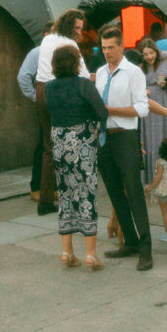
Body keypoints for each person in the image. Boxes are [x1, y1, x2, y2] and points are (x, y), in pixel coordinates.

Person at [44, 44, 109, 271]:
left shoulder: (49, 87)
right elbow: (102, 111)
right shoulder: (84, 85)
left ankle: (67, 252)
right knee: (86, 195)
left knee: (65, 194)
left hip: (59, 142)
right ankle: (91, 254)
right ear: (75, 62)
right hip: (82, 143)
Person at [95, 25, 153, 271]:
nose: (106, 52)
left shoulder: (133, 72)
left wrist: (113, 111)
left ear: (121, 46)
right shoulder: (99, 72)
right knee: (114, 191)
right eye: (104, 47)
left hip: (125, 136)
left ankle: (146, 249)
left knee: (133, 190)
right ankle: (129, 241)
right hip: (104, 138)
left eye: (111, 47)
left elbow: (142, 108)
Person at [35, 9, 89, 215]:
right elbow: (83, 75)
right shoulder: (69, 45)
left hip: (41, 90)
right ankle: (72, 197)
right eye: (76, 28)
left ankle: (46, 200)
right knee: (70, 144)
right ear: (68, 26)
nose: (78, 32)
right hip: (59, 93)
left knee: (49, 148)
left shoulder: (48, 39)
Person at [137, 37, 167, 187]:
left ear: (156, 51)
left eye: (151, 53)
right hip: (149, 106)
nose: (149, 57)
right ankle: (154, 179)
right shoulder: (141, 66)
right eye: (145, 54)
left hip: (166, 101)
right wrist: (142, 91)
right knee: (151, 139)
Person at [16, 22, 53, 201]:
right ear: (46, 34)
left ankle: (49, 187)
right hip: (45, 102)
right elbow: (23, 76)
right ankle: (36, 187)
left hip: (56, 103)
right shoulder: (38, 52)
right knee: (44, 144)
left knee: (52, 145)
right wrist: (35, 97)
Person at [143, 136, 167, 242]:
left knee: (165, 213)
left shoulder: (160, 162)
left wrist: (150, 187)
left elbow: (158, 177)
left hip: (163, 193)